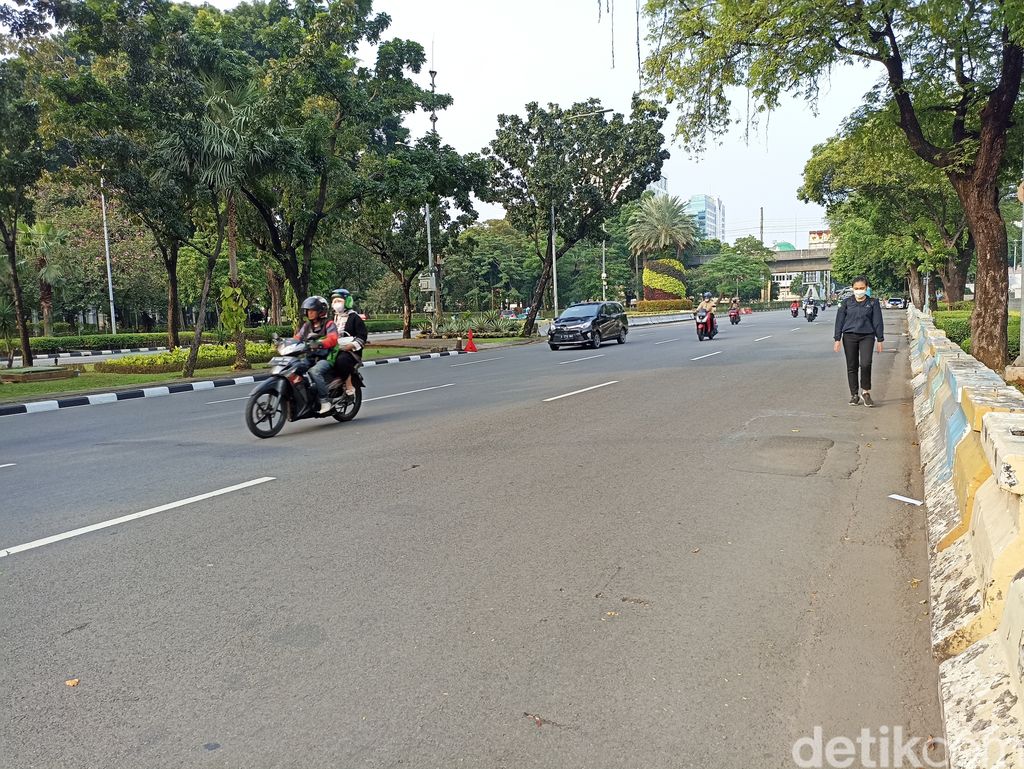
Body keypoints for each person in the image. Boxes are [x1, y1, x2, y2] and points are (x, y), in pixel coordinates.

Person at [834, 276, 884, 407]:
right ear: (852, 289)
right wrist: (837, 339)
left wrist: (880, 339)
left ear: (866, 288)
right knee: (852, 366)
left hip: (867, 336)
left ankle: (865, 392)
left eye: (862, 288)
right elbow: (839, 320)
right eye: (856, 288)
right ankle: (854, 394)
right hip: (849, 336)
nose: (859, 290)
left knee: (866, 363)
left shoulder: (873, 302)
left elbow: (878, 321)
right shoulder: (846, 302)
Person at [294, 295, 338, 414]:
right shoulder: (307, 326)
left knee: (314, 372)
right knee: (294, 367)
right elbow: (297, 338)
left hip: (327, 357)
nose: (309, 313)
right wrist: (285, 343)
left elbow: (333, 339)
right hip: (311, 357)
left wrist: (319, 343)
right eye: (308, 310)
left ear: (320, 311)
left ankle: (324, 401)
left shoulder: (329, 324)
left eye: (312, 310)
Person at [329, 288, 368, 397]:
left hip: (351, 352)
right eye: (335, 301)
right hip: (335, 349)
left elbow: (362, 336)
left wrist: (350, 345)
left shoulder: (355, 318)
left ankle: (348, 383)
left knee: (341, 360)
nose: (336, 304)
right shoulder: (333, 318)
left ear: (347, 302)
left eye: (339, 301)